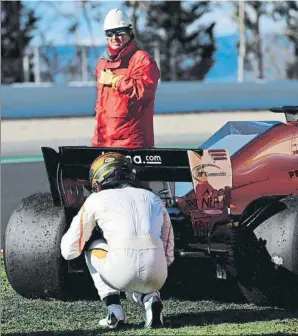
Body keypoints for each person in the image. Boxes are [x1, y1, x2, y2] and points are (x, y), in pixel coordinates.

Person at [60, 152, 174, 329]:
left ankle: (114, 312)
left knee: (93, 246)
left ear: (99, 179)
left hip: (120, 272)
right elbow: (168, 252)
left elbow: (69, 251)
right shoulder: (154, 199)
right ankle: (151, 299)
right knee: (141, 264)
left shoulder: (96, 199)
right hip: (158, 275)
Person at [92, 8, 161, 149]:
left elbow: (143, 92)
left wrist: (116, 81)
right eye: (110, 33)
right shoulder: (102, 64)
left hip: (131, 144)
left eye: (120, 32)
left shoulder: (142, 60)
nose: (115, 37)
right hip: (103, 142)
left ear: (129, 32)